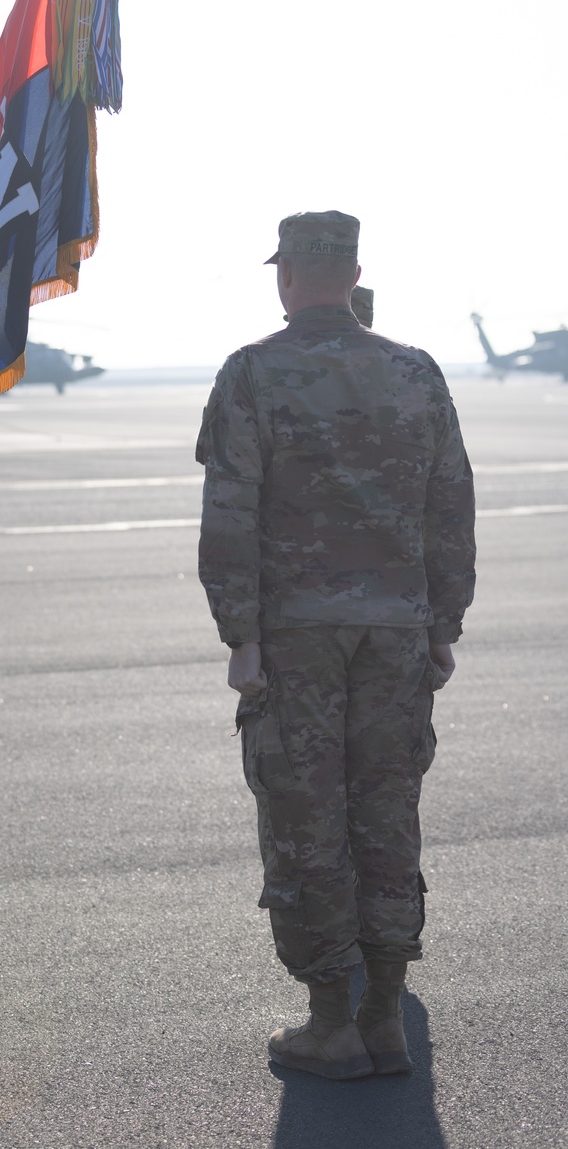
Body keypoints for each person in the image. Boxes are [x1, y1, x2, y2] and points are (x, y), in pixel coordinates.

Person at [196, 211, 475, 1080]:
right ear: (353, 273)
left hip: (297, 637)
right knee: (387, 815)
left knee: (307, 818)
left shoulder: (253, 373)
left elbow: (230, 514)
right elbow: (451, 508)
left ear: (287, 277)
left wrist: (239, 634)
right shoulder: (415, 372)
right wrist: (442, 626)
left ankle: (331, 1021)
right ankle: (385, 1012)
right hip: (396, 632)